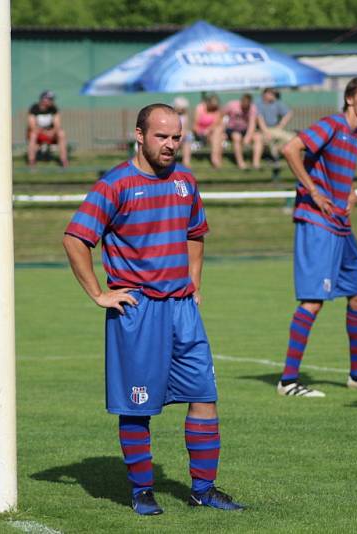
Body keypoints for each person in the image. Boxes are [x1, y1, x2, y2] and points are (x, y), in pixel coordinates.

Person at [62, 104, 243, 515]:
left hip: (183, 310)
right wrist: (98, 294)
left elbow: (196, 233)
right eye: (162, 136)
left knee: (204, 397)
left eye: (176, 137)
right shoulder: (115, 185)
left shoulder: (185, 182)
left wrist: (194, 283)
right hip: (137, 311)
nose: (171, 144)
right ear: (139, 136)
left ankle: (203, 489)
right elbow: (76, 239)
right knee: (137, 405)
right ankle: (142, 490)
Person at [275, 77, 357, 398]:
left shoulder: (356, 135)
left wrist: (348, 192)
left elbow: (342, 173)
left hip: (340, 224)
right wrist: (314, 191)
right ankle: (288, 381)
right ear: (349, 99)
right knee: (313, 300)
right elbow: (290, 148)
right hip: (317, 221)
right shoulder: (332, 125)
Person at [253, 88, 294, 169]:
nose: (273, 95)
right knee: (265, 139)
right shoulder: (258, 103)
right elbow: (258, 118)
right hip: (262, 130)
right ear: (265, 94)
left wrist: (281, 125)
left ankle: (277, 155)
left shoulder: (277, 103)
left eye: (273, 94)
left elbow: (289, 113)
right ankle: (271, 159)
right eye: (271, 93)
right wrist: (265, 131)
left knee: (292, 138)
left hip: (275, 129)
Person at [27, 90, 69, 168]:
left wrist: (52, 131)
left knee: (61, 134)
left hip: (51, 134)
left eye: (52, 99)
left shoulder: (53, 109)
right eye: (49, 99)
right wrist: (44, 132)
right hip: (39, 134)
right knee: (33, 135)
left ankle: (64, 160)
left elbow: (57, 124)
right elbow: (32, 126)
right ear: (43, 99)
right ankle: (31, 161)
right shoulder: (34, 108)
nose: (51, 101)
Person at [222, 94, 258, 170]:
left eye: (247, 104)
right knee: (237, 137)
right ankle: (241, 163)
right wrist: (222, 131)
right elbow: (222, 115)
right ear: (241, 101)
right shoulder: (232, 105)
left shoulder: (252, 108)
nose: (245, 106)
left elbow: (252, 124)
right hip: (232, 129)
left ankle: (255, 163)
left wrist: (248, 137)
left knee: (258, 138)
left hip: (245, 129)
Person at [193, 93, 224, 168]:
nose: (213, 108)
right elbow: (195, 125)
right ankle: (216, 159)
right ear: (208, 103)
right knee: (219, 136)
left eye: (215, 107)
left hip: (211, 133)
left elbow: (216, 123)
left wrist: (208, 130)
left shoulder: (217, 110)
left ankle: (215, 159)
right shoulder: (200, 108)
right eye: (212, 106)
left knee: (218, 133)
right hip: (200, 133)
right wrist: (203, 132)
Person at [172, 96, 192, 167]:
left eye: (183, 108)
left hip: (183, 135)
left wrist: (182, 136)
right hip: (173, 135)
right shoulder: (172, 115)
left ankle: (186, 162)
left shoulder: (185, 116)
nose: (181, 110)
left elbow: (185, 128)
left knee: (188, 139)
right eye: (179, 108)